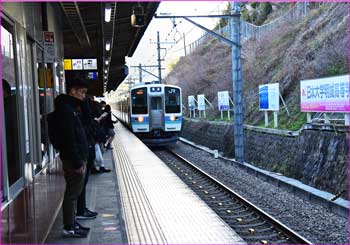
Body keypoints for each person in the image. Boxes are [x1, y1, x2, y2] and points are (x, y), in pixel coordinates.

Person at [52, 79, 90, 238]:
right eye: (82, 92)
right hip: (73, 159)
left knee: (74, 192)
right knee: (72, 194)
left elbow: (85, 123)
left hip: (75, 157)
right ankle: (69, 227)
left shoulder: (70, 108)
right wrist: (77, 162)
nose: (83, 96)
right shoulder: (66, 110)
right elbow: (69, 138)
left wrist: (83, 104)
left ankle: (72, 222)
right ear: (73, 91)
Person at [76, 97, 98, 219]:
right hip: (84, 153)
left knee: (82, 183)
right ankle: (80, 211)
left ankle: (82, 208)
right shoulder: (79, 117)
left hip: (86, 151)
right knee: (80, 185)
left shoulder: (79, 116)